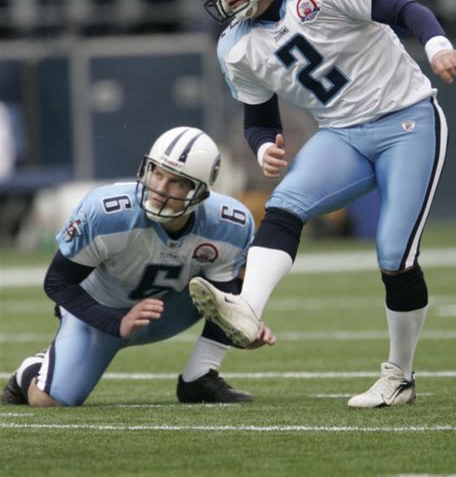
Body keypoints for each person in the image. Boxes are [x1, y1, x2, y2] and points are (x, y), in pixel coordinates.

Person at [188, 0, 456, 408]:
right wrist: (260, 147)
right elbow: (258, 119)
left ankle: (400, 376)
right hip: (342, 134)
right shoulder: (237, 44)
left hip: (408, 119)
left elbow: (404, 8)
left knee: (394, 254)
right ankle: (248, 308)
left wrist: (437, 41)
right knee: (284, 207)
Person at [2, 126, 275, 408]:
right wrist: (116, 322)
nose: (160, 189)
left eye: (177, 182)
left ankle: (200, 376)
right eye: (157, 173)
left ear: (200, 193)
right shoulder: (106, 213)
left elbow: (224, 293)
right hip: (100, 308)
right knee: (48, 401)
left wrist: (241, 322)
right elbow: (58, 282)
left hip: (170, 307)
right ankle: (32, 367)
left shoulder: (229, 223)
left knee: (246, 276)